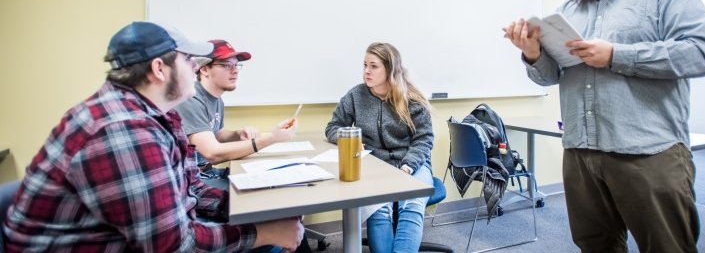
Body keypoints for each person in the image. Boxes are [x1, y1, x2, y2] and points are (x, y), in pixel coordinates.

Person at [503, 0, 705, 252]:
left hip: (647, 152)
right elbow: (549, 76)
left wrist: (616, 55)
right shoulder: (568, 10)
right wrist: (532, 54)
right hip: (580, 153)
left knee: (667, 245)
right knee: (596, 245)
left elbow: (699, 54)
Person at [3, 22, 304, 252]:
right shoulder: (123, 129)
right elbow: (174, 246)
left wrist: (252, 209)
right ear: (159, 69)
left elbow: (193, 190)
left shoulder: (159, 115)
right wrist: (262, 232)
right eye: (190, 62)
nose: (197, 70)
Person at [324, 42, 434, 253]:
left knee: (411, 205)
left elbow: (424, 139)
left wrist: (408, 167)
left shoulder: (412, 99)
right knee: (378, 208)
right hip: (375, 164)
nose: (366, 71)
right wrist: (348, 139)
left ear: (390, 69)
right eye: (365, 65)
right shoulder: (356, 95)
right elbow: (333, 127)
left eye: (373, 66)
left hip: (413, 164)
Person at [174, 40, 297, 191]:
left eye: (236, 65)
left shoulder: (216, 98)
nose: (235, 70)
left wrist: (238, 134)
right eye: (226, 65)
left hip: (207, 173)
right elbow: (212, 153)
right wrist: (271, 139)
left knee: (276, 183)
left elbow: (216, 133)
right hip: (190, 183)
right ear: (204, 69)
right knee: (265, 196)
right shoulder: (191, 99)